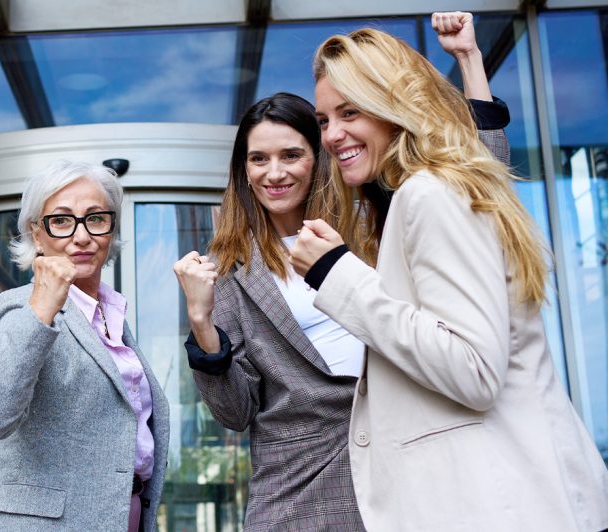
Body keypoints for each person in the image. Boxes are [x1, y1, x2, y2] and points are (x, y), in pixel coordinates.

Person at [172, 13, 513, 530]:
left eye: (291, 154)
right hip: (297, 486)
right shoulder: (230, 269)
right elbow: (236, 413)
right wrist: (202, 326)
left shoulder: (375, 221)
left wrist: (469, 59)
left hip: (403, 455)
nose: (275, 172)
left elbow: (479, 189)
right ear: (243, 170)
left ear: (319, 156)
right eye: (258, 159)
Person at [288, 26, 608, 531]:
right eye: (325, 120)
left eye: (350, 112)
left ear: (393, 103)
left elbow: (473, 370)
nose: (331, 135)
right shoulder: (436, 189)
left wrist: (335, 274)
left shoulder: (432, 194)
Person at [0, 160, 169, 532]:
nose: (81, 236)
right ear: (37, 233)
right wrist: (42, 309)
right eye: (61, 221)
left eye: (96, 218)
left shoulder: (113, 315)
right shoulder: (20, 307)